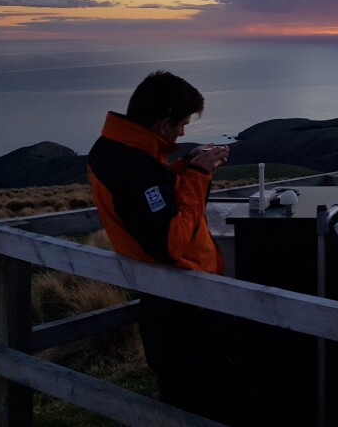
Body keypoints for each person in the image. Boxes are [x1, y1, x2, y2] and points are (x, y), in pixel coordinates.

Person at [88, 70, 236, 422]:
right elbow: (170, 241)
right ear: (164, 123)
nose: (184, 132)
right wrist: (198, 176)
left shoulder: (123, 151)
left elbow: (156, 199)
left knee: (189, 398)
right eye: (181, 124)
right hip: (181, 308)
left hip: (176, 302)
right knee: (200, 402)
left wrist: (187, 165)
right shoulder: (129, 164)